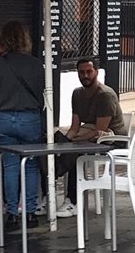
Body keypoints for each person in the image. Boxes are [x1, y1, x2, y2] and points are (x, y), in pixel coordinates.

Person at [0, 21, 44, 232]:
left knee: (10, 166)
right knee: (32, 164)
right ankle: (30, 212)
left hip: (4, 118)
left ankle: (11, 214)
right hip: (30, 117)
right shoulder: (35, 64)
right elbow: (44, 94)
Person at [53, 59, 127, 218]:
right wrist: (64, 142)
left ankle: (73, 201)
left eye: (89, 71)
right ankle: (48, 189)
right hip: (92, 133)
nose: (85, 75)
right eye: (81, 72)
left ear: (96, 72)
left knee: (75, 153)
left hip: (112, 139)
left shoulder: (105, 95)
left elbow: (100, 130)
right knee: (57, 140)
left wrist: (73, 142)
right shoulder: (77, 93)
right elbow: (74, 128)